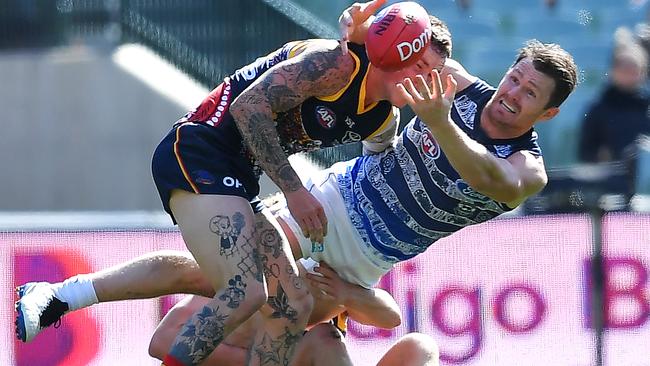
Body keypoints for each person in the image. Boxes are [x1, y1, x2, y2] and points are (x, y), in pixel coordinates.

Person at [16, 1, 577, 362]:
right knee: (253, 293)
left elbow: (487, 176)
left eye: (530, 94)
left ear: (547, 114)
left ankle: (63, 295)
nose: (512, 93)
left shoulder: (524, 167)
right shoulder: (402, 76)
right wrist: (365, 24)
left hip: (359, 256)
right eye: (514, 78)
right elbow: (406, 41)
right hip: (296, 192)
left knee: (234, 288)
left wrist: (430, 125)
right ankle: (69, 298)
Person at [147, 260, 438, 366]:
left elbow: (392, 318)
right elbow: (160, 342)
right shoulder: (246, 275)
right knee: (324, 338)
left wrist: (347, 293)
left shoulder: (328, 279)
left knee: (418, 347)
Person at [578, 40, 650, 163]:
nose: (629, 73)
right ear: (612, 71)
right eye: (624, 68)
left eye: (634, 68)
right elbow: (586, 152)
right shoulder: (599, 109)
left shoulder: (647, 107)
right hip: (612, 178)